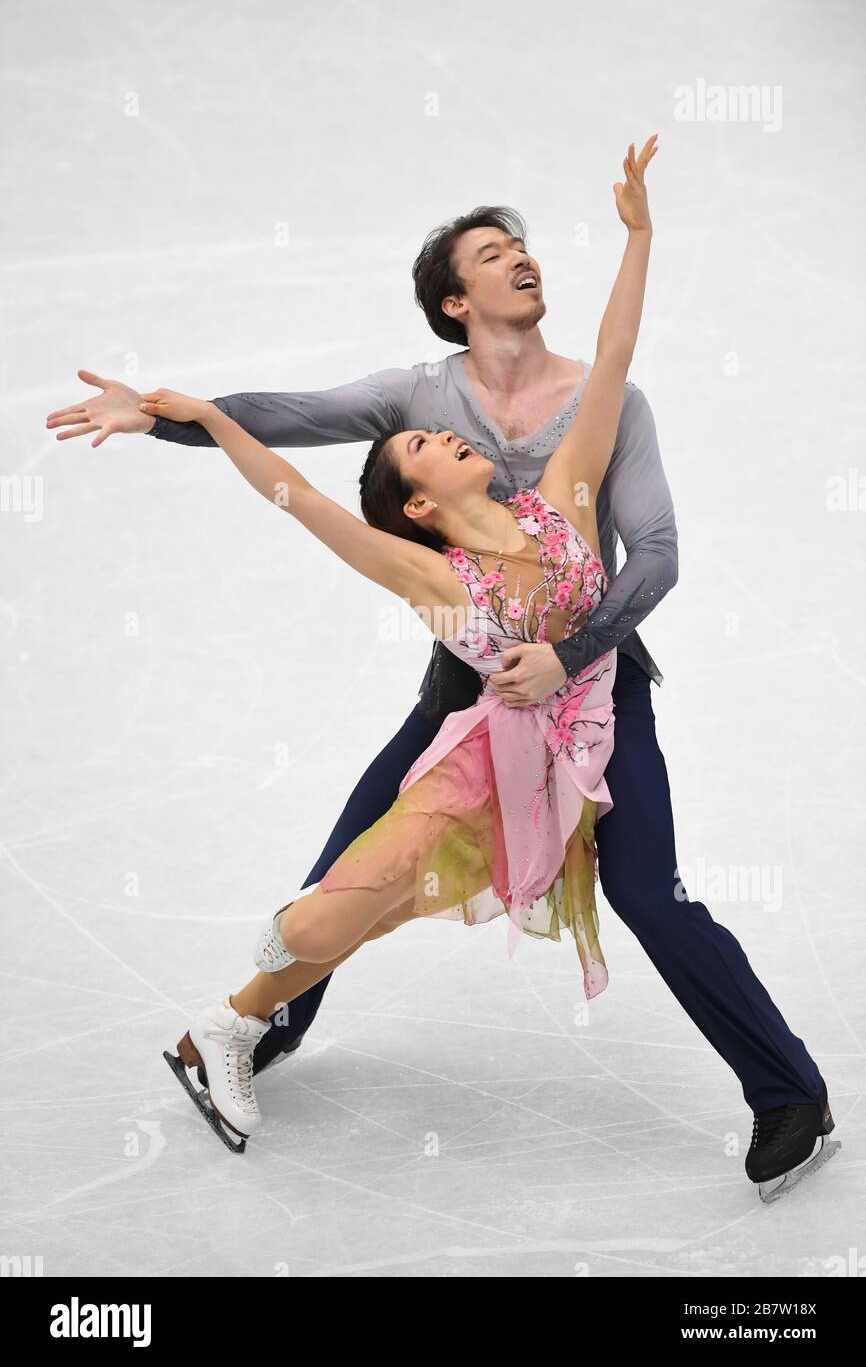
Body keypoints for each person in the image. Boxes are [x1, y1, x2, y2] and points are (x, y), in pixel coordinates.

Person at [48, 139, 838, 1201]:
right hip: (468, 694)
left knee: (649, 888)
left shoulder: (589, 433)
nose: (519, 257)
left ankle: (787, 1094)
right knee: (352, 855)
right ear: (452, 300)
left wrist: (566, 650)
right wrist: (167, 415)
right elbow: (287, 444)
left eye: (522, 244)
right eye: (490, 250)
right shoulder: (418, 406)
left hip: (594, 679)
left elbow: (652, 553)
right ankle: (248, 1021)